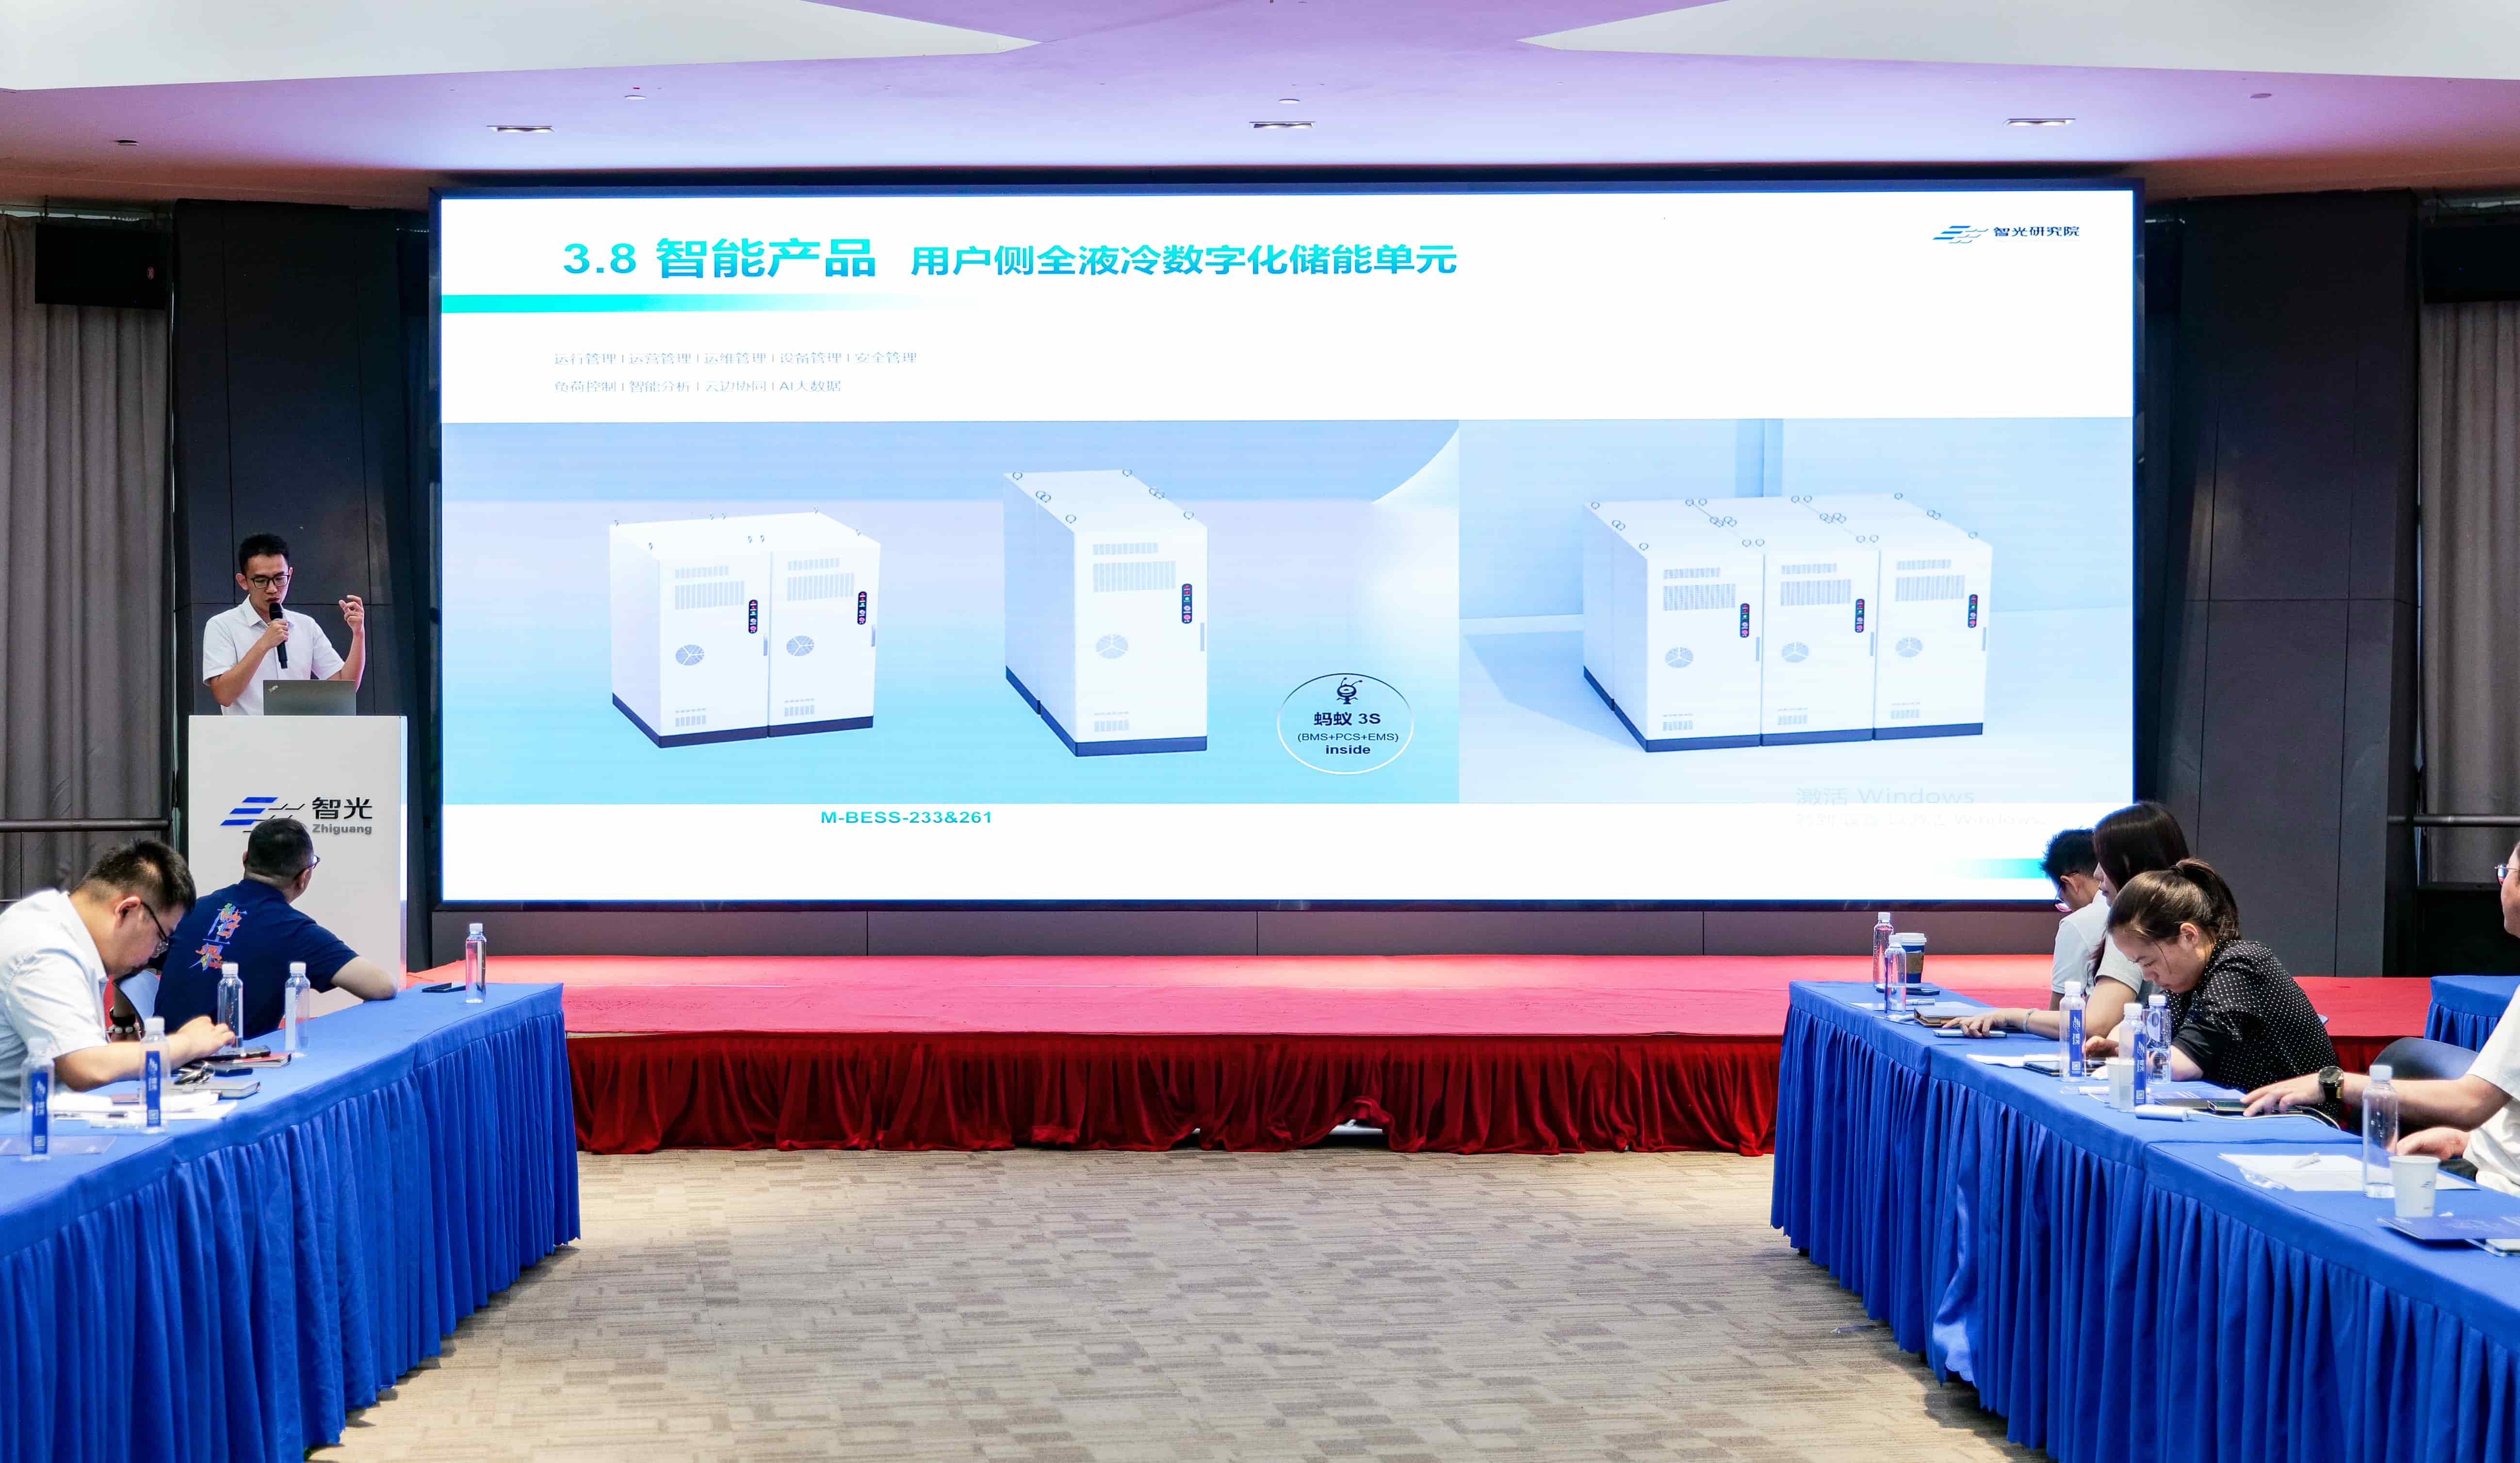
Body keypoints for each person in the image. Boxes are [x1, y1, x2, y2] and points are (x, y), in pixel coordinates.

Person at [2246, 840, 2520, 1191]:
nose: (2501, 885)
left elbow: (2471, 1102)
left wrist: (2333, 1083)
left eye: (2505, 873)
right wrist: (2463, 1141)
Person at [0, 841, 233, 1107]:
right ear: (127, 910)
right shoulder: (46, 949)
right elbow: (87, 1067)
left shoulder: (53, 917)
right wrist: (188, 1044)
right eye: (161, 938)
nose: (154, 954)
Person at [2084, 859, 2337, 1094]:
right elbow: (2147, 1038)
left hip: (2300, 1119)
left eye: (2149, 962)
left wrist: (2131, 1062)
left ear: (2188, 936)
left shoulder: (2241, 965)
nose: (2148, 975)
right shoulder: (2186, 982)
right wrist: (2120, 1052)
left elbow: (2182, 1065)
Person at [156, 817, 397, 1040]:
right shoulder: (297, 932)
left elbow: (143, 965)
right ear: (304, 877)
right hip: (232, 1063)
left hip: (163, 1055)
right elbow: (382, 986)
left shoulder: (191, 909)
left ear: (245, 859)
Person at [1954, 805, 2180, 1040]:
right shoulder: (2179, 907)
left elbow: (2096, 1024)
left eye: (2104, 862)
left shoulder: (2136, 922)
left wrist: (2011, 1016)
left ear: (2129, 864)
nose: (2097, 875)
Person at [202, 532, 365, 715]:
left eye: (280, 578)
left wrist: (359, 634)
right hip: (247, 733)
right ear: (243, 581)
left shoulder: (306, 626)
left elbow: (344, 687)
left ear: (290, 574)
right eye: (261, 581)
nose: (272, 589)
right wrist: (264, 644)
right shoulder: (223, 625)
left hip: (299, 732)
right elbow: (224, 694)